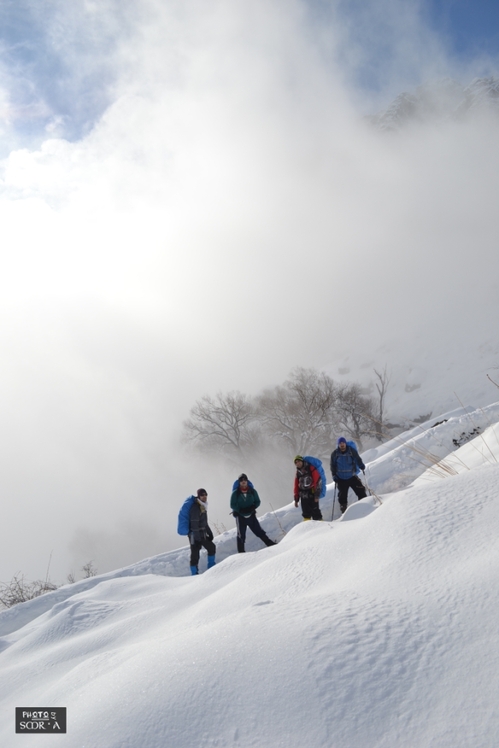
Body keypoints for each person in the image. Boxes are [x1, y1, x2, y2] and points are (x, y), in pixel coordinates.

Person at [230, 474, 277, 553]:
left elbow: (258, 501)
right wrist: (240, 510)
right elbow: (232, 504)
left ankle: (269, 543)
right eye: (241, 480)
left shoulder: (252, 491)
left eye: (245, 480)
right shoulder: (235, 493)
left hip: (251, 515)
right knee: (241, 534)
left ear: (247, 481)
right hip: (240, 517)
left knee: (258, 530)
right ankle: (241, 552)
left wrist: (253, 507)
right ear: (239, 482)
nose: (243, 481)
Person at [330, 437, 367, 514]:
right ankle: (344, 512)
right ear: (338, 444)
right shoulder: (335, 454)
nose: (342, 445)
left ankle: (365, 506)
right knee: (342, 497)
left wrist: (361, 466)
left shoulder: (351, 451)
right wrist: (334, 475)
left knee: (361, 491)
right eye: (340, 443)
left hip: (352, 476)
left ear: (345, 443)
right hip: (341, 479)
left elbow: (357, 459)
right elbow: (332, 465)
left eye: (343, 443)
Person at [189, 488, 216, 575]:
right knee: (195, 554)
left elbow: (204, 522)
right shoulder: (195, 508)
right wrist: (197, 539)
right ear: (198, 496)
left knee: (211, 547)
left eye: (205, 495)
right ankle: (194, 574)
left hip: (202, 533)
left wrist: (210, 533)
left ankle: (212, 568)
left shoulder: (203, 506)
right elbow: (194, 525)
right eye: (202, 495)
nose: (204, 496)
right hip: (194, 535)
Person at [293, 456, 323, 521]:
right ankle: (307, 528)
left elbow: (318, 481)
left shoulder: (311, 468)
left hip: (312, 493)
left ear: (302, 461)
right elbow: (296, 485)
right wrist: (296, 499)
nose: (298, 463)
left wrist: (316, 496)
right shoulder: (298, 472)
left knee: (316, 513)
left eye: (299, 461)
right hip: (303, 495)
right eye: (296, 462)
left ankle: (322, 528)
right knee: (306, 514)